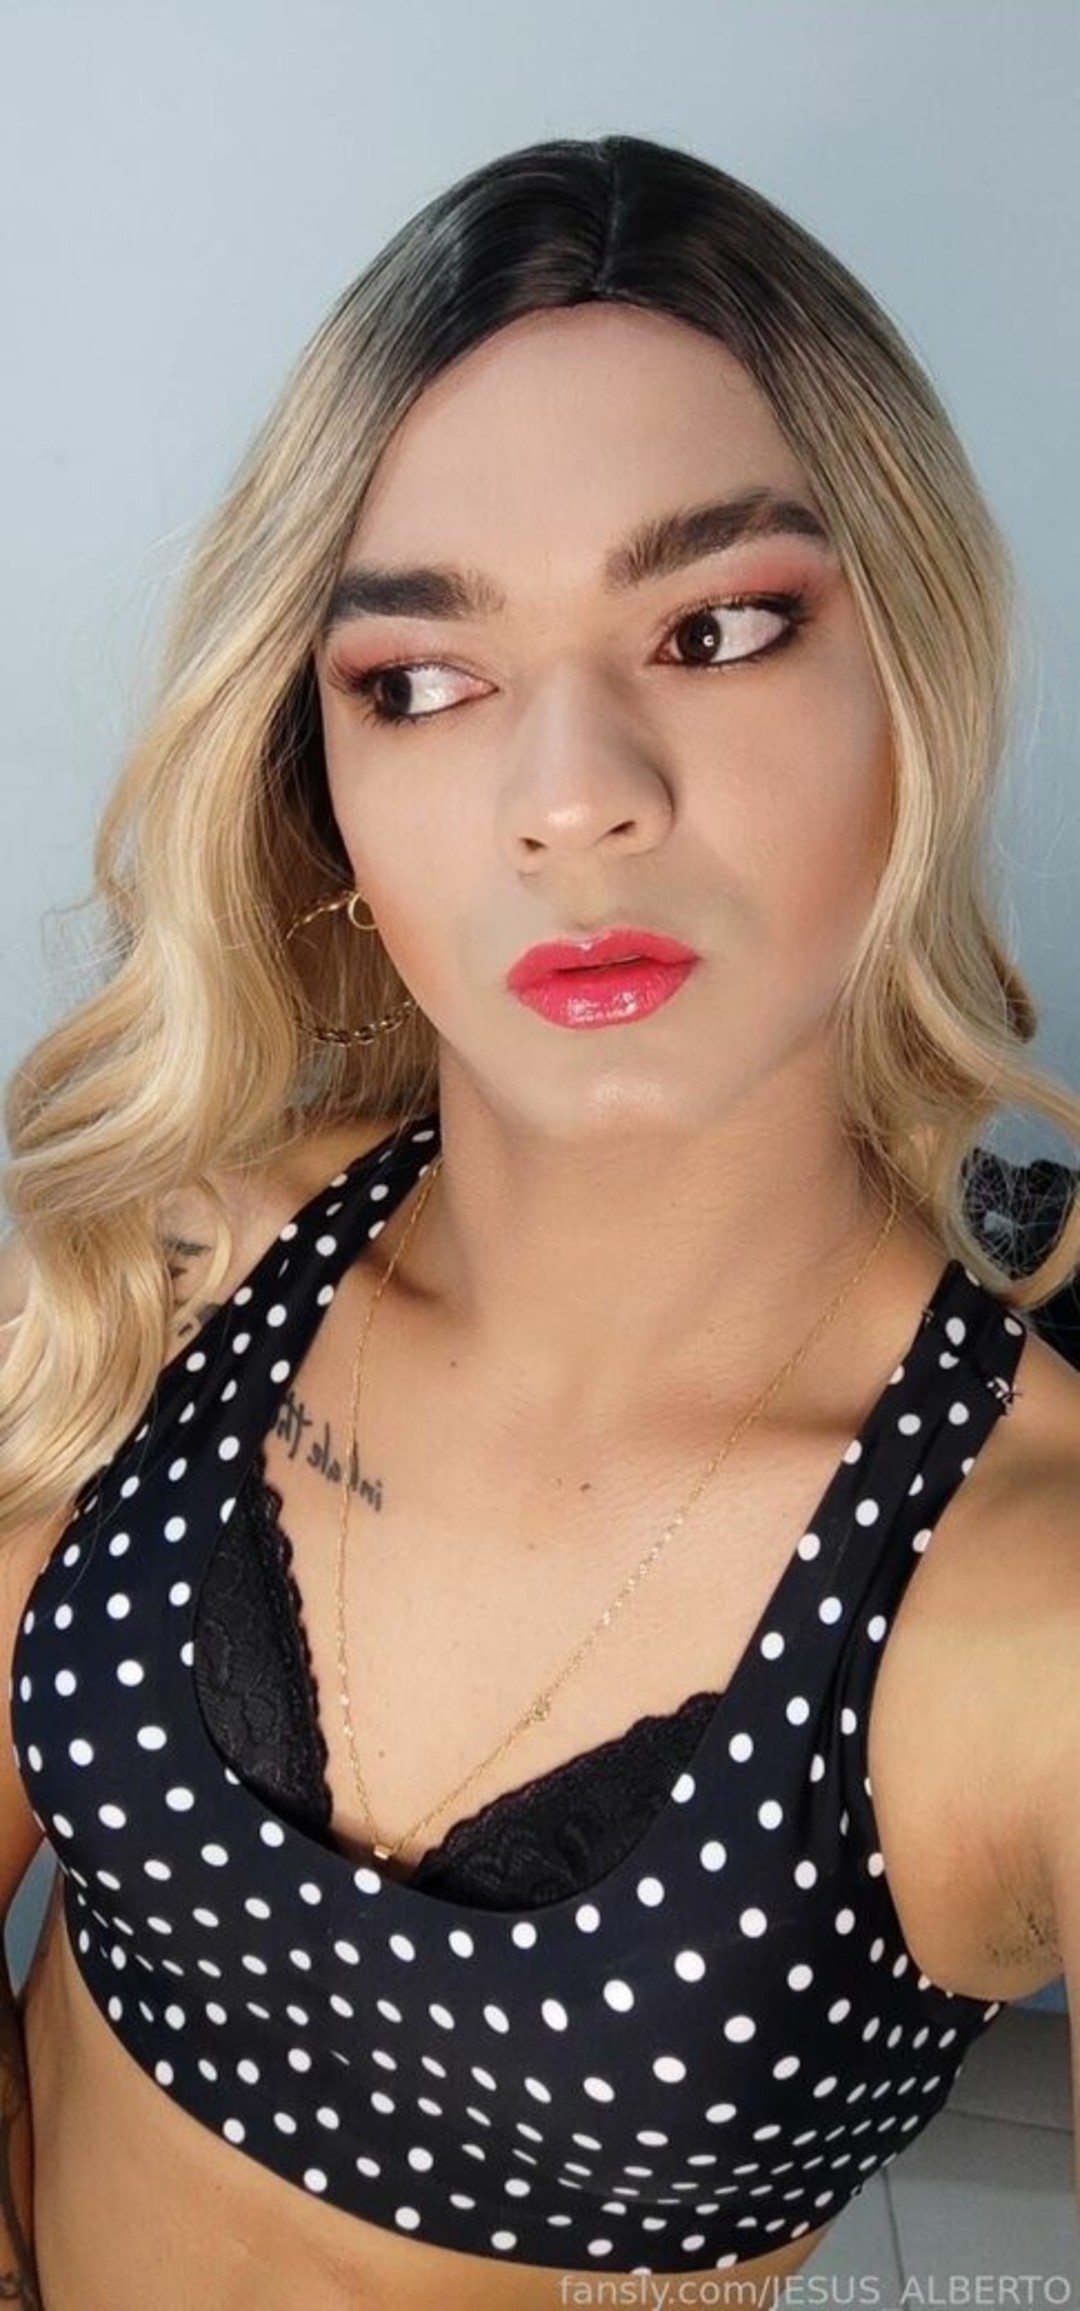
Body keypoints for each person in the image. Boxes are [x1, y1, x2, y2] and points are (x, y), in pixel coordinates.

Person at [0, 132, 1078, 2311]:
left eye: (718, 626)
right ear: (321, 780)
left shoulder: (1016, 1602)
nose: (574, 792)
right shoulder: (168, 1272)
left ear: (919, 680)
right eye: (418, 676)